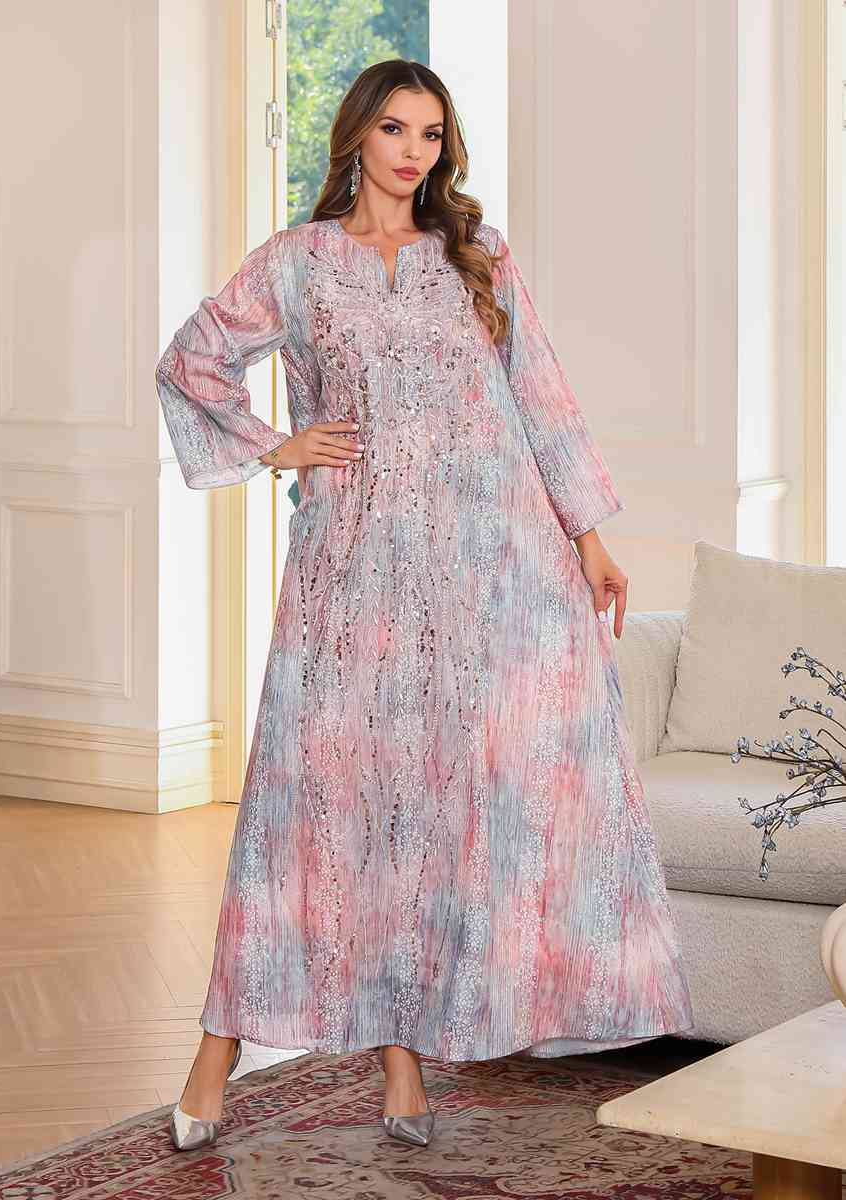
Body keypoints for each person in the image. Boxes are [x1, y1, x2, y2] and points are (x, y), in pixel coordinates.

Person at [155, 58, 694, 1152]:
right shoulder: (299, 264)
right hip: (352, 574)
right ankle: (217, 1049)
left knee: (431, 812)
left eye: (432, 134)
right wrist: (276, 445)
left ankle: (404, 1068)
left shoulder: (474, 254)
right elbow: (192, 361)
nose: (414, 151)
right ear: (358, 135)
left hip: (488, 569)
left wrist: (588, 537)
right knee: (310, 802)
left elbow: (538, 393)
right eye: (395, 129)